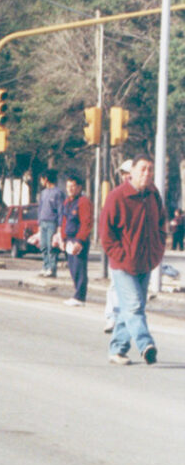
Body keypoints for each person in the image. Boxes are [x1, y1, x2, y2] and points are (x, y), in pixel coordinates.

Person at [101, 155, 166, 365]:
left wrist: (158, 249)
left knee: (129, 309)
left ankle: (117, 349)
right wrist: (121, 256)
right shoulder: (117, 196)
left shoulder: (154, 195)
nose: (146, 173)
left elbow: (161, 225)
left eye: (150, 169)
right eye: (142, 169)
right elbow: (106, 234)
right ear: (132, 172)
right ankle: (146, 345)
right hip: (123, 265)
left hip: (145, 262)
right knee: (134, 306)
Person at [103, 159, 133, 332]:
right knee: (115, 284)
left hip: (136, 251)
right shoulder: (115, 195)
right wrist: (115, 249)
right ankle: (112, 317)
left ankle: (128, 319)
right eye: (123, 173)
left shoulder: (146, 196)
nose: (126, 176)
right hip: (119, 250)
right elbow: (107, 226)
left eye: (129, 172)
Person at [55, 172, 93, 306]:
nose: (70, 189)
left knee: (79, 268)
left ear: (79, 187)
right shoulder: (67, 202)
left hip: (78, 240)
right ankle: (76, 293)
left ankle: (80, 296)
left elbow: (86, 222)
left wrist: (80, 241)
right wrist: (62, 239)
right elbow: (64, 220)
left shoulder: (83, 202)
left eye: (73, 186)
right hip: (69, 240)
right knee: (72, 268)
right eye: (68, 186)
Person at [35, 170, 65, 278]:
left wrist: (60, 227)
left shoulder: (58, 193)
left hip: (53, 223)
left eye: (41, 179)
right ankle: (45, 266)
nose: (41, 181)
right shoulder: (43, 193)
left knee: (51, 246)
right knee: (43, 245)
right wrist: (39, 223)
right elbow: (40, 208)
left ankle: (52, 268)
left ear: (46, 179)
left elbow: (61, 210)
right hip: (43, 222)